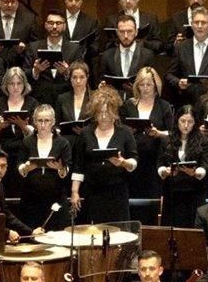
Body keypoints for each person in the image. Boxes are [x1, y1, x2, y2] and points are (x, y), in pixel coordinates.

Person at [71, 87, 139, 222]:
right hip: (93, 192)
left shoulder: (125, 132)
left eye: (107, 113)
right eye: (99, 113)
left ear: (114, 113)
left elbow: (134, 161)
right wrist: (74, 192)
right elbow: (79, 166)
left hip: (117, 193)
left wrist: (123, 163)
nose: (103, 116)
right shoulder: (85, 133)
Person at [16, 104, 72, 231]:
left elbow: (68, 167)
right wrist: (25, 168)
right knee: (32, 238)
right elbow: (19, 164)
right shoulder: (27, 142)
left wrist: (60, 168)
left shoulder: (63, 143)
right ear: (34, 122)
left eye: (46, 121)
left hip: (55, 198)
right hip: (31, 200)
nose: (43, 124)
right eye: (39, 121)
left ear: (53, 122)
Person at [122, 66, 174, 205]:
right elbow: (120, 129)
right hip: (133, 156)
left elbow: (173, 133)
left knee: (152, 198)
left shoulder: (164, 106)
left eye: (149, 84)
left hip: (155, 157)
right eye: (142, 84)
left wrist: (159, 133)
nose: (145, 88)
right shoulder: (129, 105)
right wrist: (129, 131)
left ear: (155, 86)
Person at [159, 105, 208, 227]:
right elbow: (160, 163)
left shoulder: (203, 140)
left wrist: (195, 173)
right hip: (172, 191)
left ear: (195, 123)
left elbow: (205, 163)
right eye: (183, 121)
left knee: (193, 227)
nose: (186, 125)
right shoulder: (167, 139)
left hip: (194, 190)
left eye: (190, 121)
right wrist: (165, 171)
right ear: (177, 121)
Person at [166, 6, 208, 100]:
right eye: (196, 22)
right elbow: (169, 75)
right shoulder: (181, 48)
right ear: (192, 24)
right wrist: (178, 82)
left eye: (203, 23)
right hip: (186, 101)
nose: (199, 26)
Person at [26, 9, 82, 108]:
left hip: (66, 101)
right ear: (45, 25)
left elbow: (81, 75)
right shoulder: (33, 47)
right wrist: (35, 71)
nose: (55, 27)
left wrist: (67, 73)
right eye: (51, 23)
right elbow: (24, 73)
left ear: (64, 26)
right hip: (40, 100)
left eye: (58, 23)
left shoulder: (75, 49)